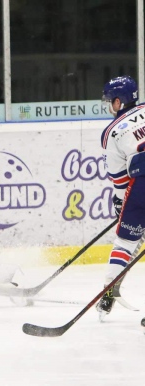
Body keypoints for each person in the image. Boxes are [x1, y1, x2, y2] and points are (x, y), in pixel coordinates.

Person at [96, 75, 145, 322]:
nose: (108, 105)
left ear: (118, 101)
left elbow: (119, 180)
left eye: (109, 101)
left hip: (141, 185)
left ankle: (107, 292)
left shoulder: (112, 131)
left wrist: (119, 203)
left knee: (126, 242)